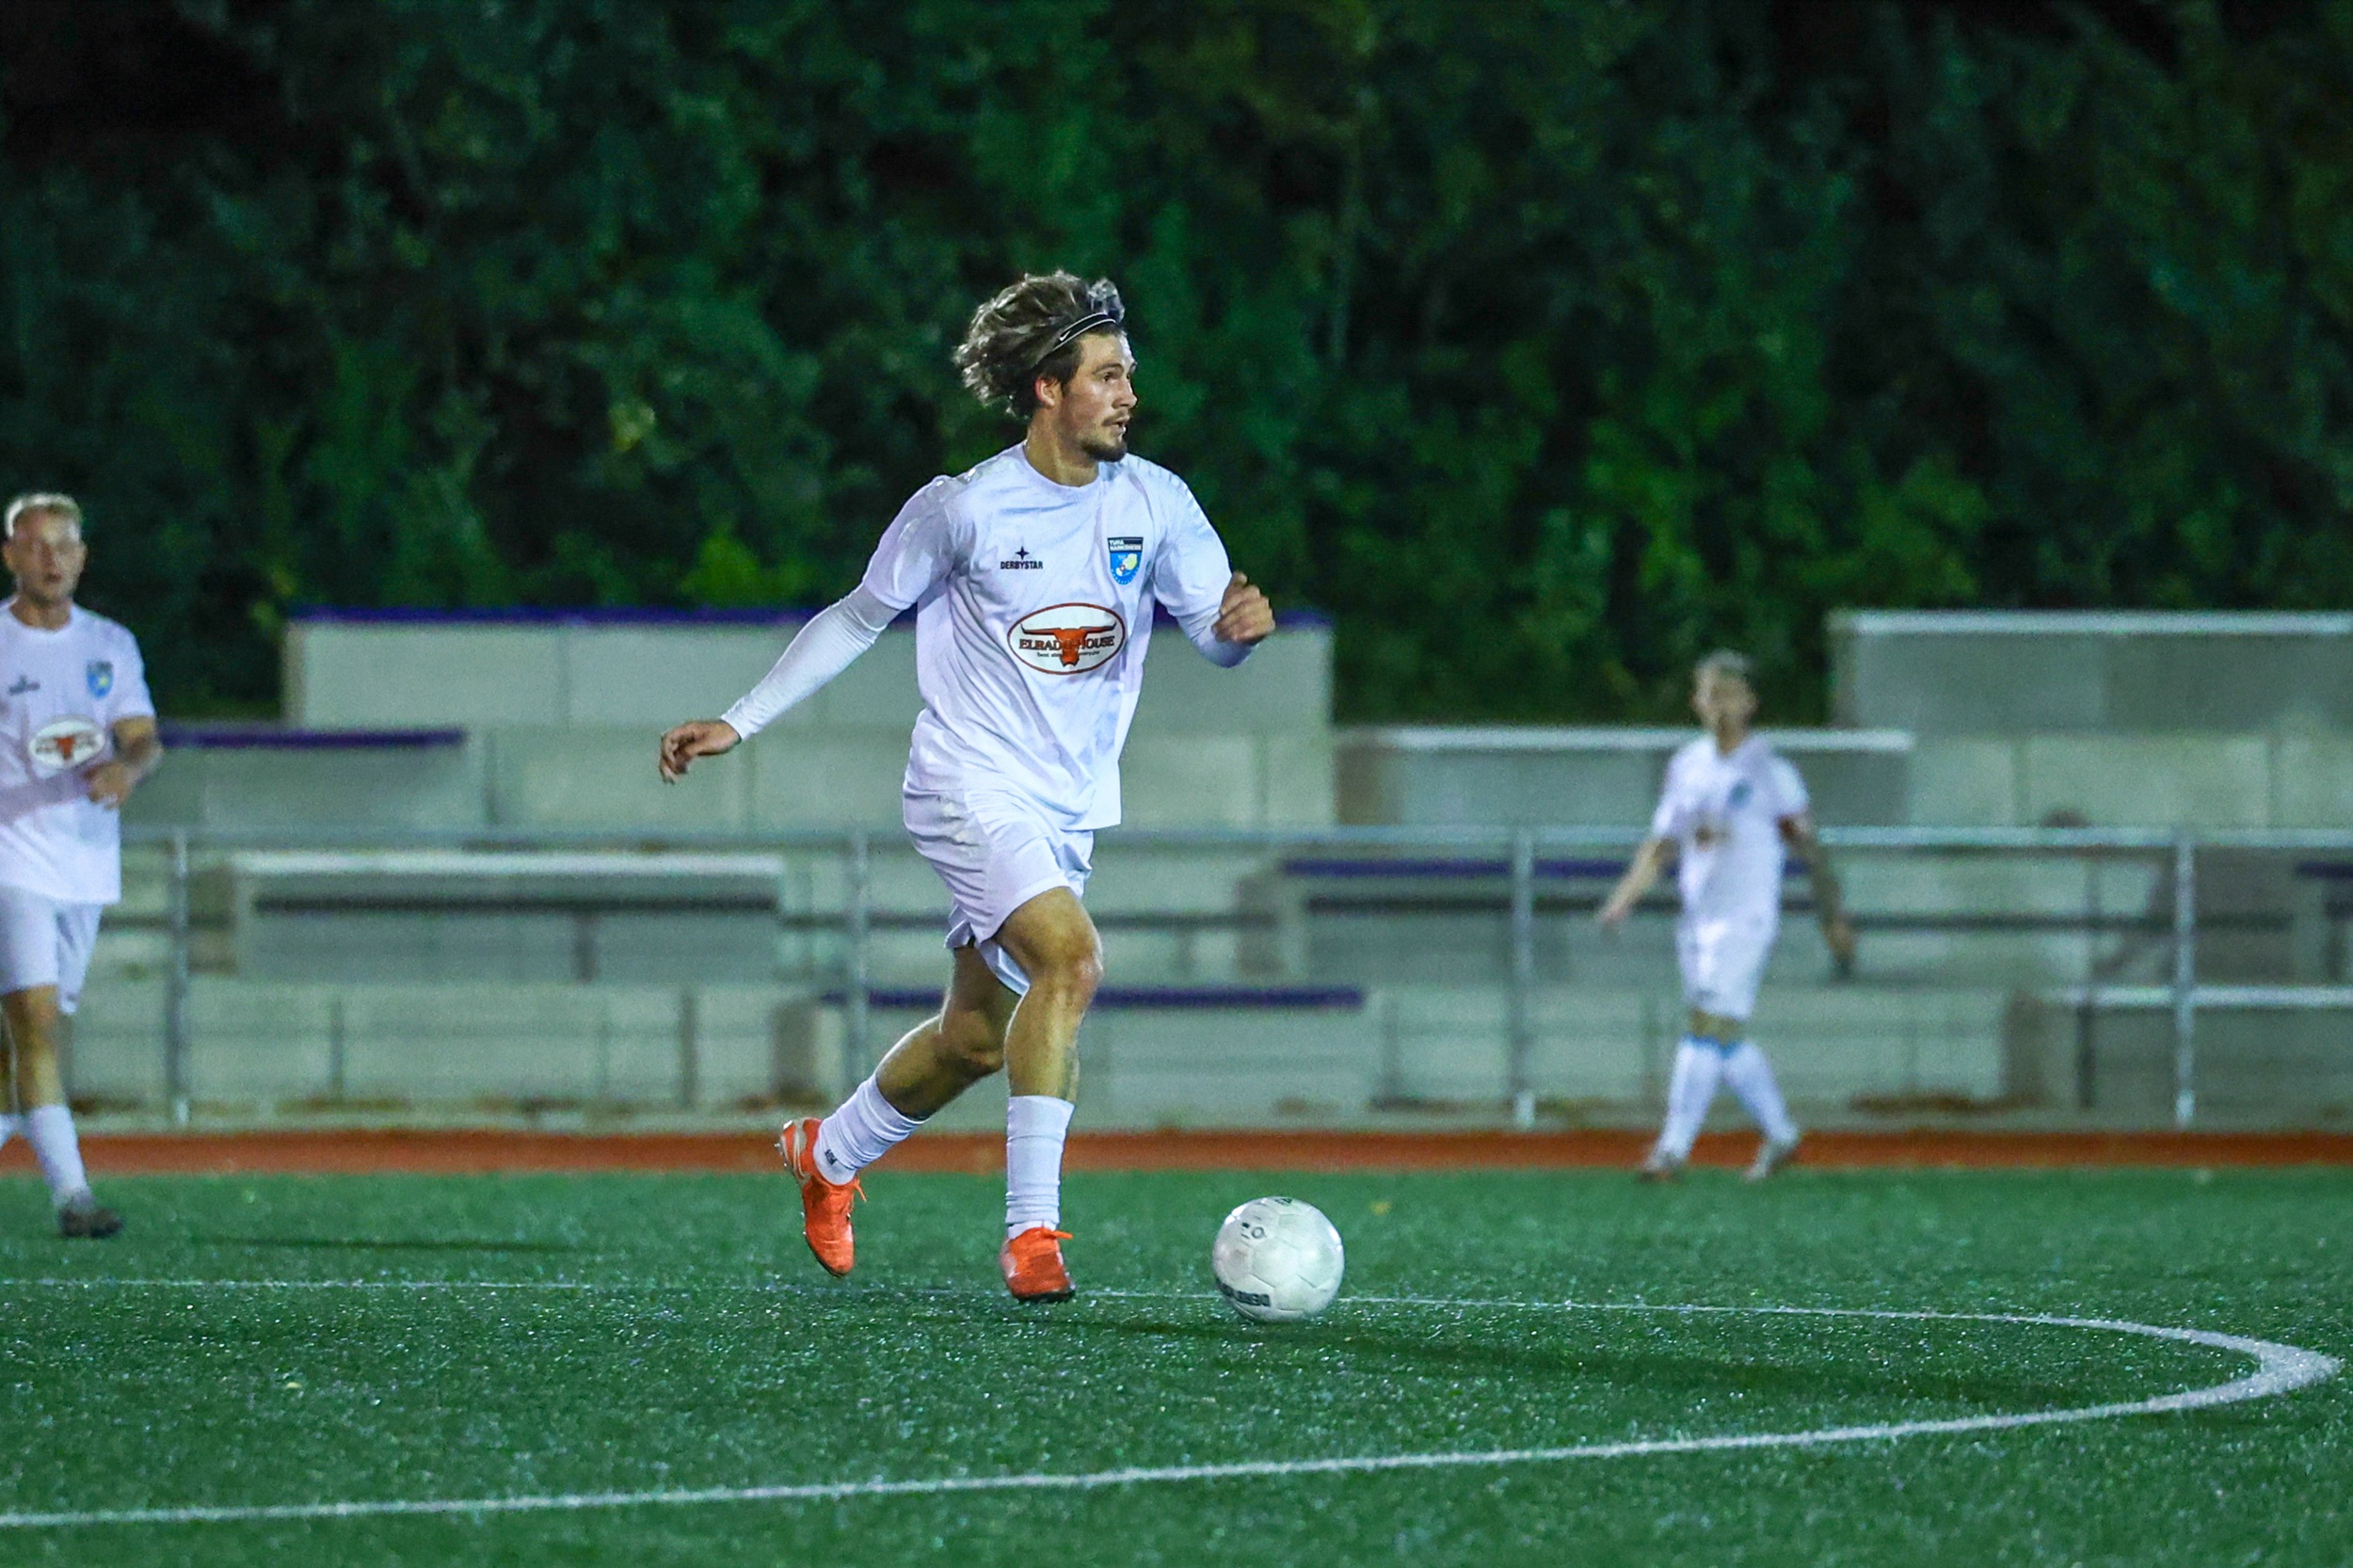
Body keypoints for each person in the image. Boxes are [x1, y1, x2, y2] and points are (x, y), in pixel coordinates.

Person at [659, 274, 1274, 1300]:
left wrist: (1235, 634)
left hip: (1065, 808)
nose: (1129, 395)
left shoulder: (1157, 502)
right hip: (965, 785)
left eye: (1129, 376)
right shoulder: (963, 508)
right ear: (1047, 388)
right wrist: (740, 719)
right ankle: (1033, 1234)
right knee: (1070, 963)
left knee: (975, 1038)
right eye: (1107, 376)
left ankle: (829, 1154)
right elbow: (858, 616)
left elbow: (1210, 630)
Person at [1598, 650, 1853, 1181]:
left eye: (1731, 695)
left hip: (1747, 920)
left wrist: (1833, 915)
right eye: (1711, 694)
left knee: (1705, 1024)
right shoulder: (1687, 766)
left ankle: (1672, 1150)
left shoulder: (1771, 772)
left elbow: (1810, 849)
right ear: (1697, 702)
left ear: (1751, 703)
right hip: (1698, 922)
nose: (1721, 706)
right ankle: (1781, 1136)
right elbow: (1663, 844)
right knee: (1724, 1037)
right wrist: (1625, 897)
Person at [0, 493, 163, 1237]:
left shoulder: (109, 644)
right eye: (36, 546)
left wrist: (129, 769)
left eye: (64, 545)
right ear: (11, 556)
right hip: (12, 863)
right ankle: (74, 1198)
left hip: (86, 868)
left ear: (83, 556)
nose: (52, 559)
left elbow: (141, 737)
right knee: (35, 1026)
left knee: (28, 1049)